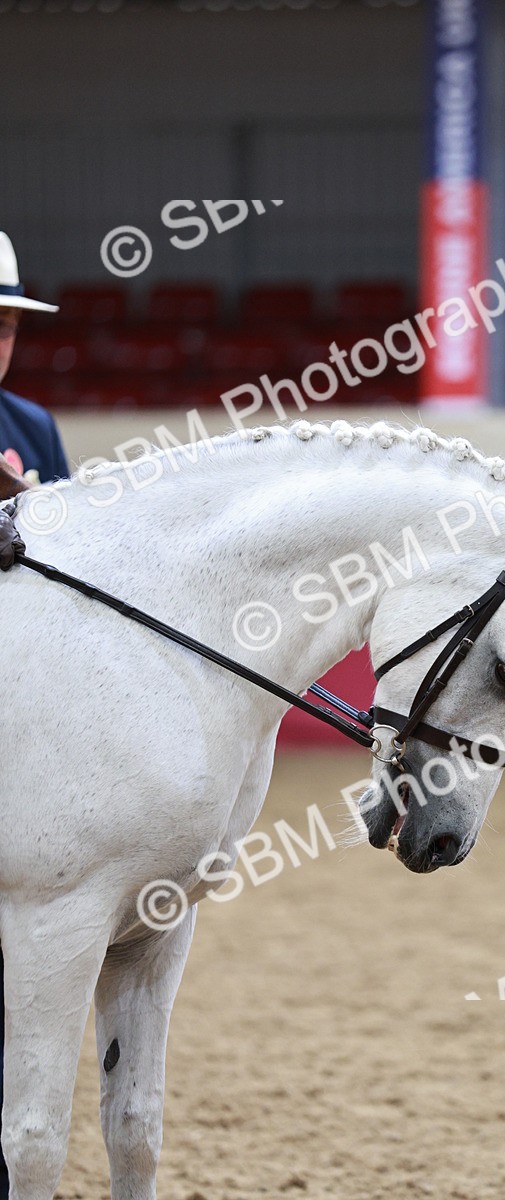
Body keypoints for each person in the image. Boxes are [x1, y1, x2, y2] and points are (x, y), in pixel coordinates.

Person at [0, 231, 68, 1199]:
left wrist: (31, 510)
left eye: (7, 324)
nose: (0, 341)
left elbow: (75, 556)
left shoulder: (32, 423)